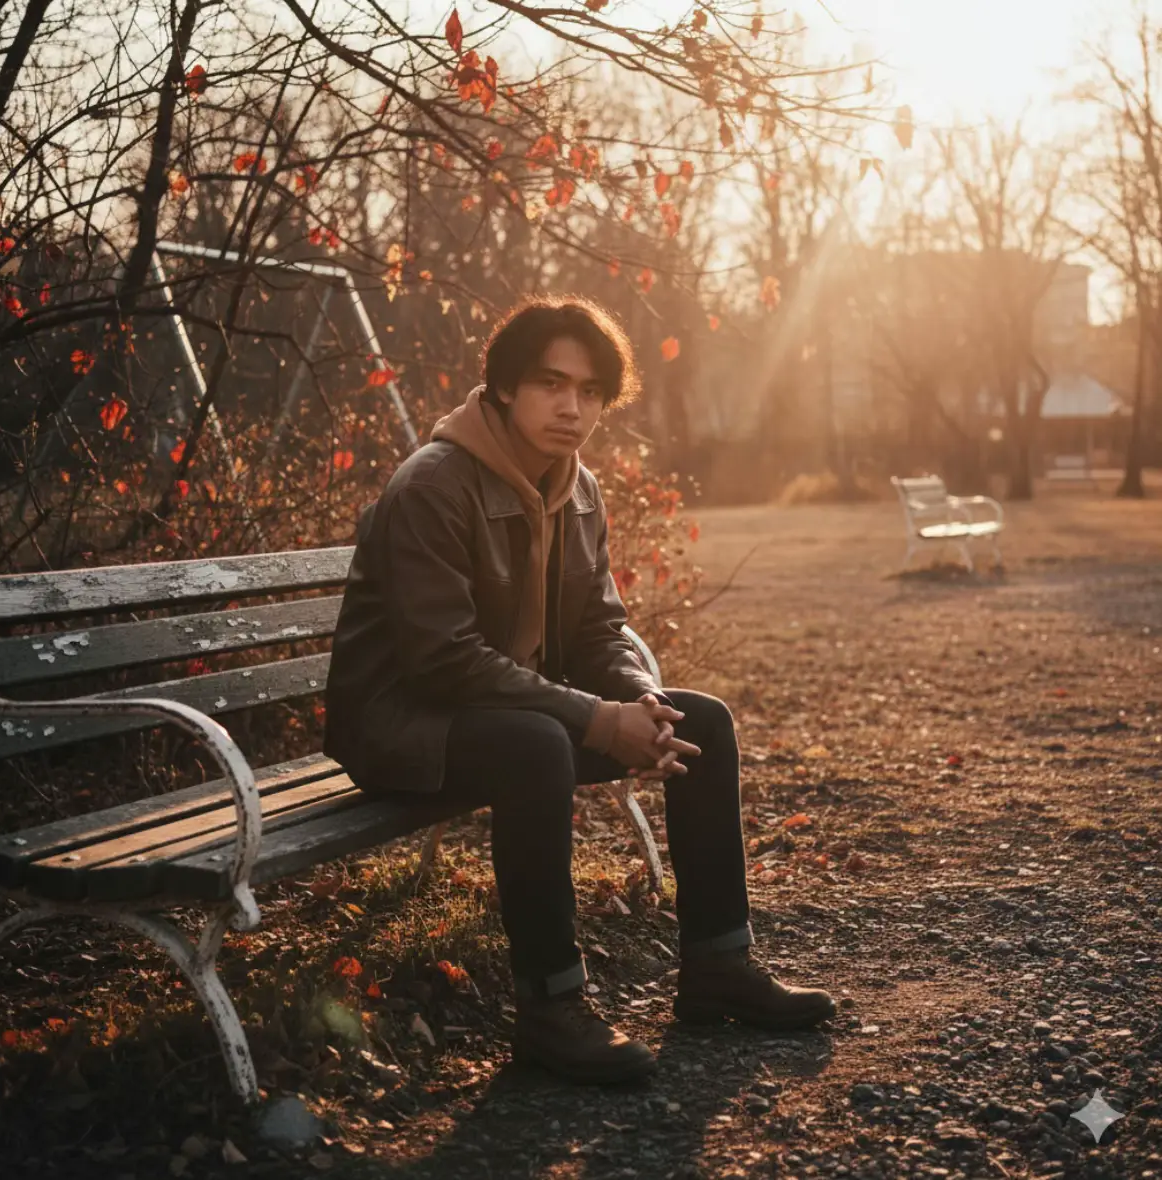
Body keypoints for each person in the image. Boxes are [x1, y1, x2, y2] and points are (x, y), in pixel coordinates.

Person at [324, 296, 836, 1084]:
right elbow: (441, 661)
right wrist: (595, 720)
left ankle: (717, 968)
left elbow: (598, 630)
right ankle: (551, 1012)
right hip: (402, 724)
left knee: (703, 719)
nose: (573, 406)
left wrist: (642, 704)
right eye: (550, 383)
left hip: (497, 712)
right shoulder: (435, 482)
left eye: (591, 390)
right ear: (501, 388)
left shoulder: (578, 486)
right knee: (533, 746)